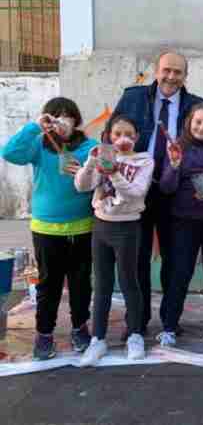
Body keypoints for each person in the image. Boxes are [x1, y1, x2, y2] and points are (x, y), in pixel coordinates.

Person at [113, 51, 203, 339]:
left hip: (175, 191)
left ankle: (170, 321)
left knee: (174, 260)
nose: (171, 77)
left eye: (178, 72)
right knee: (136, 259)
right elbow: (112, 133)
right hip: (136, 190)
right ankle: (137, 324)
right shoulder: (133, 97)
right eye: (166, 70)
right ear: (156, 71)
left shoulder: (196, 106)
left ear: (185, 76)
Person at [1, 97, 97, 360]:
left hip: (82, 227)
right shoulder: (38, 146)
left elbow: (104, 172)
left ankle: (80, 328)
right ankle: (44, 334)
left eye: (67, 115)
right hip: (46, 229)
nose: (61, 120)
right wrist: (35, 127)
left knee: (80, 283)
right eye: (55, 116)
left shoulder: (90, 146)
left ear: (76, 119)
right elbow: (8, 152)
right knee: (48, 285)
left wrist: (88, 170)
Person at [74, 115, 154, 365]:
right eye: (118, 134)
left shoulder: (144, 160)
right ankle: (98, 339)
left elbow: (136, 193)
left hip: (128, 227)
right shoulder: (103, 155)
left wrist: (115, 173)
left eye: (129, 134)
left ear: (137, 137)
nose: (123, 139)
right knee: (102, 284)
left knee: (130, 282)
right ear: (109, 135)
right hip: (101, 226)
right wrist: (90, 162)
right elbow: (82, 186)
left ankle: (135, 334)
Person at [157, 103, 203, 347]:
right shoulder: (177, 148)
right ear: (189, 122)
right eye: (198, 122)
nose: (202, 127)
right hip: (183, 221)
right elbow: (166, 187)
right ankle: (169, 327)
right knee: (181, 272)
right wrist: (175, 166)